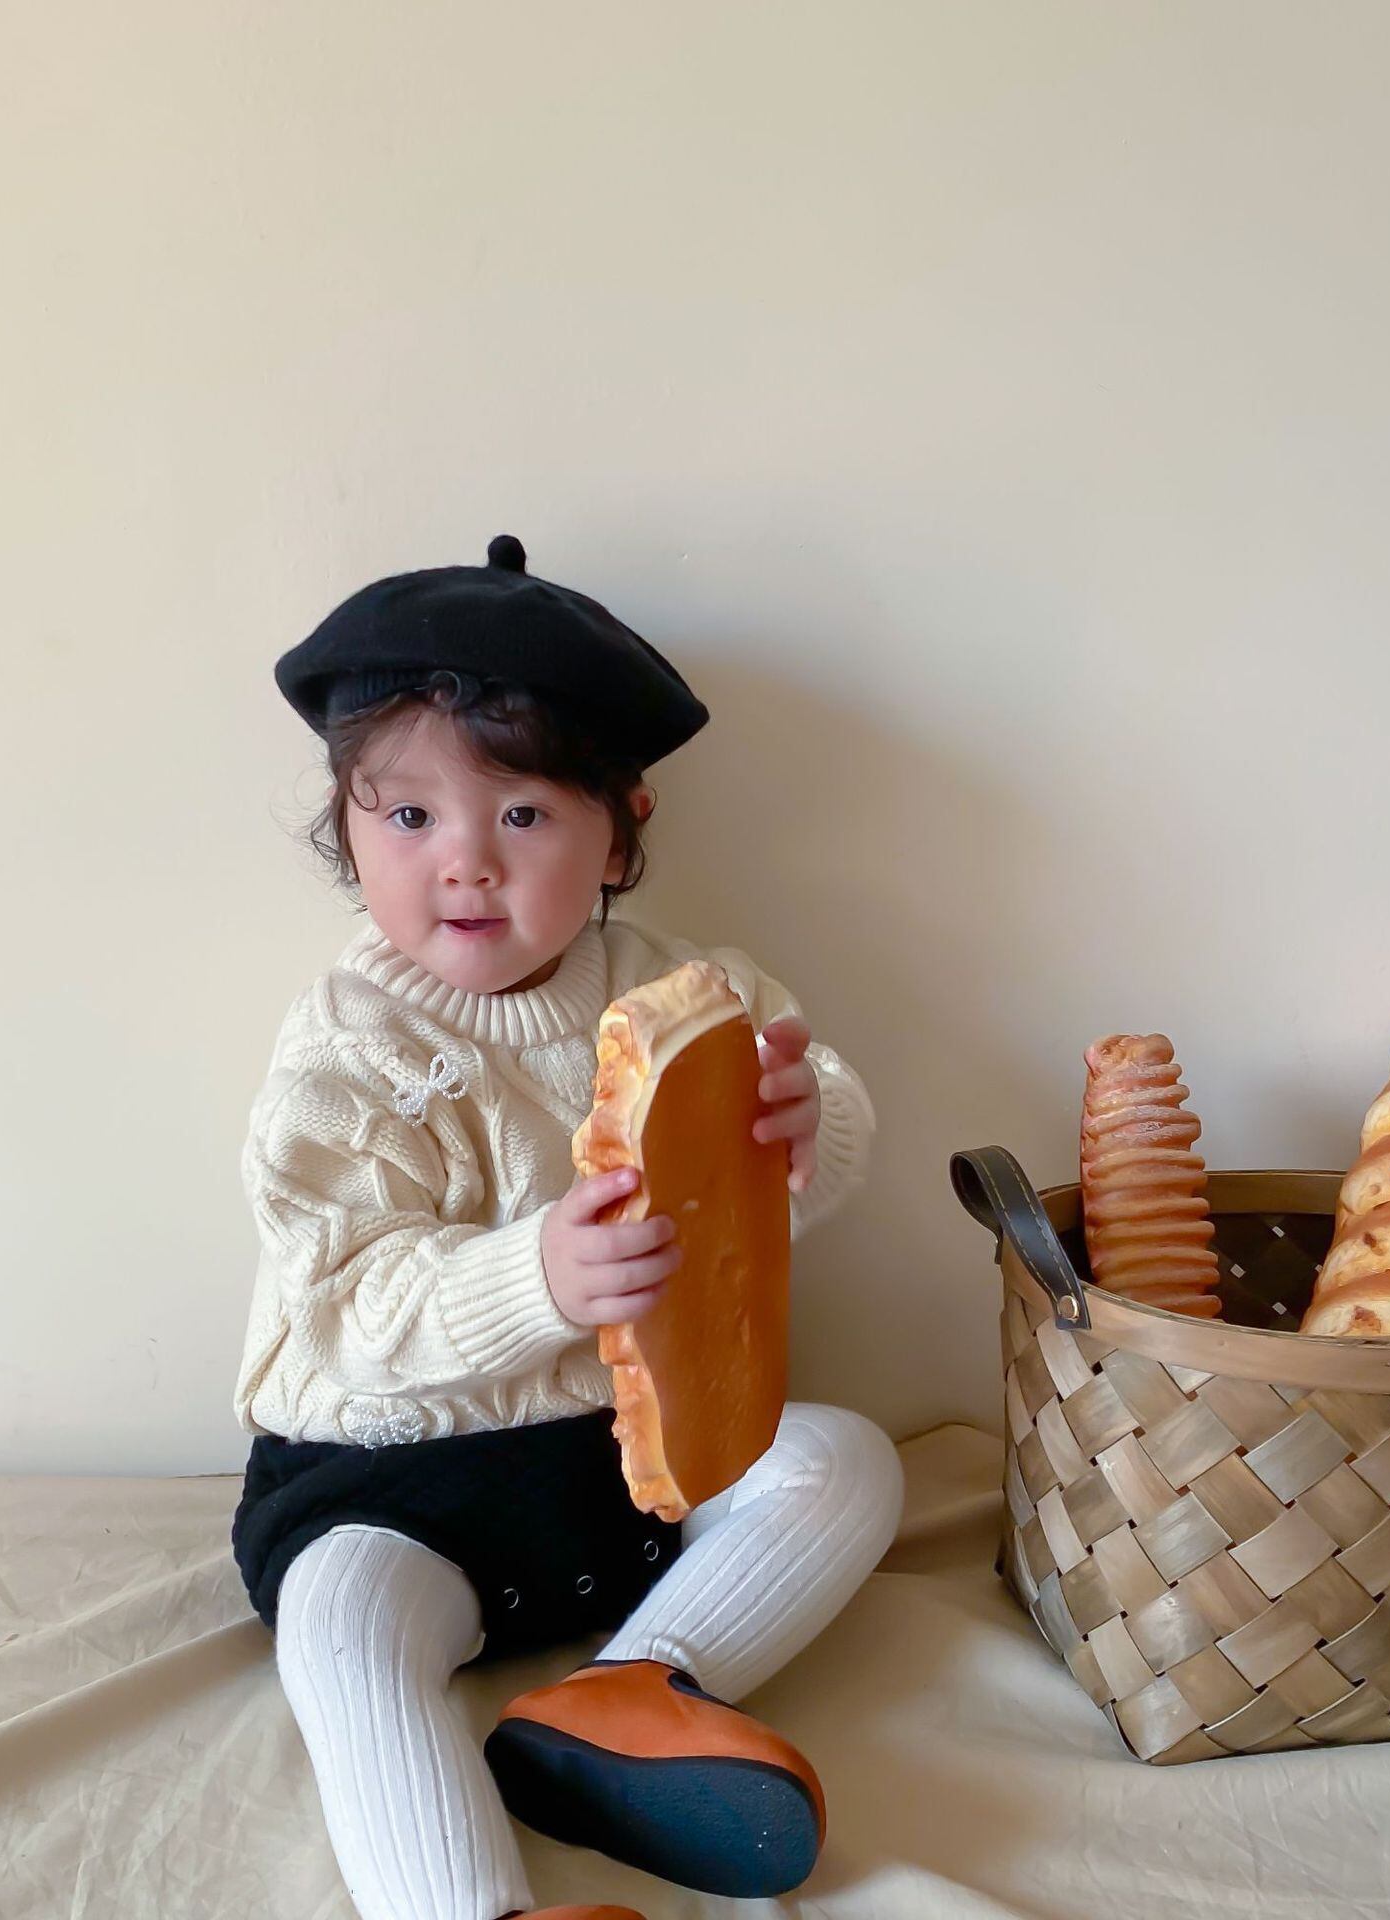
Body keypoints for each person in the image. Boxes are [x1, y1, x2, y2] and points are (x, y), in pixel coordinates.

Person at [231, 535, 904, 1920]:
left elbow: (780, 1188)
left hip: (628, 1463)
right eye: (407, 815)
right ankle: (473, 1907)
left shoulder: (693, 992)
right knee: (340, 1627)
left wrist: (805, 1129)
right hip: (392, 1480)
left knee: (847, 1461)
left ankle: (627, 1693)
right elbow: (340, 1304)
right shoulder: (344, 1045)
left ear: (621, 829)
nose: (465, 865)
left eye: (524, 814)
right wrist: (534, 1277)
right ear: (346, 827)